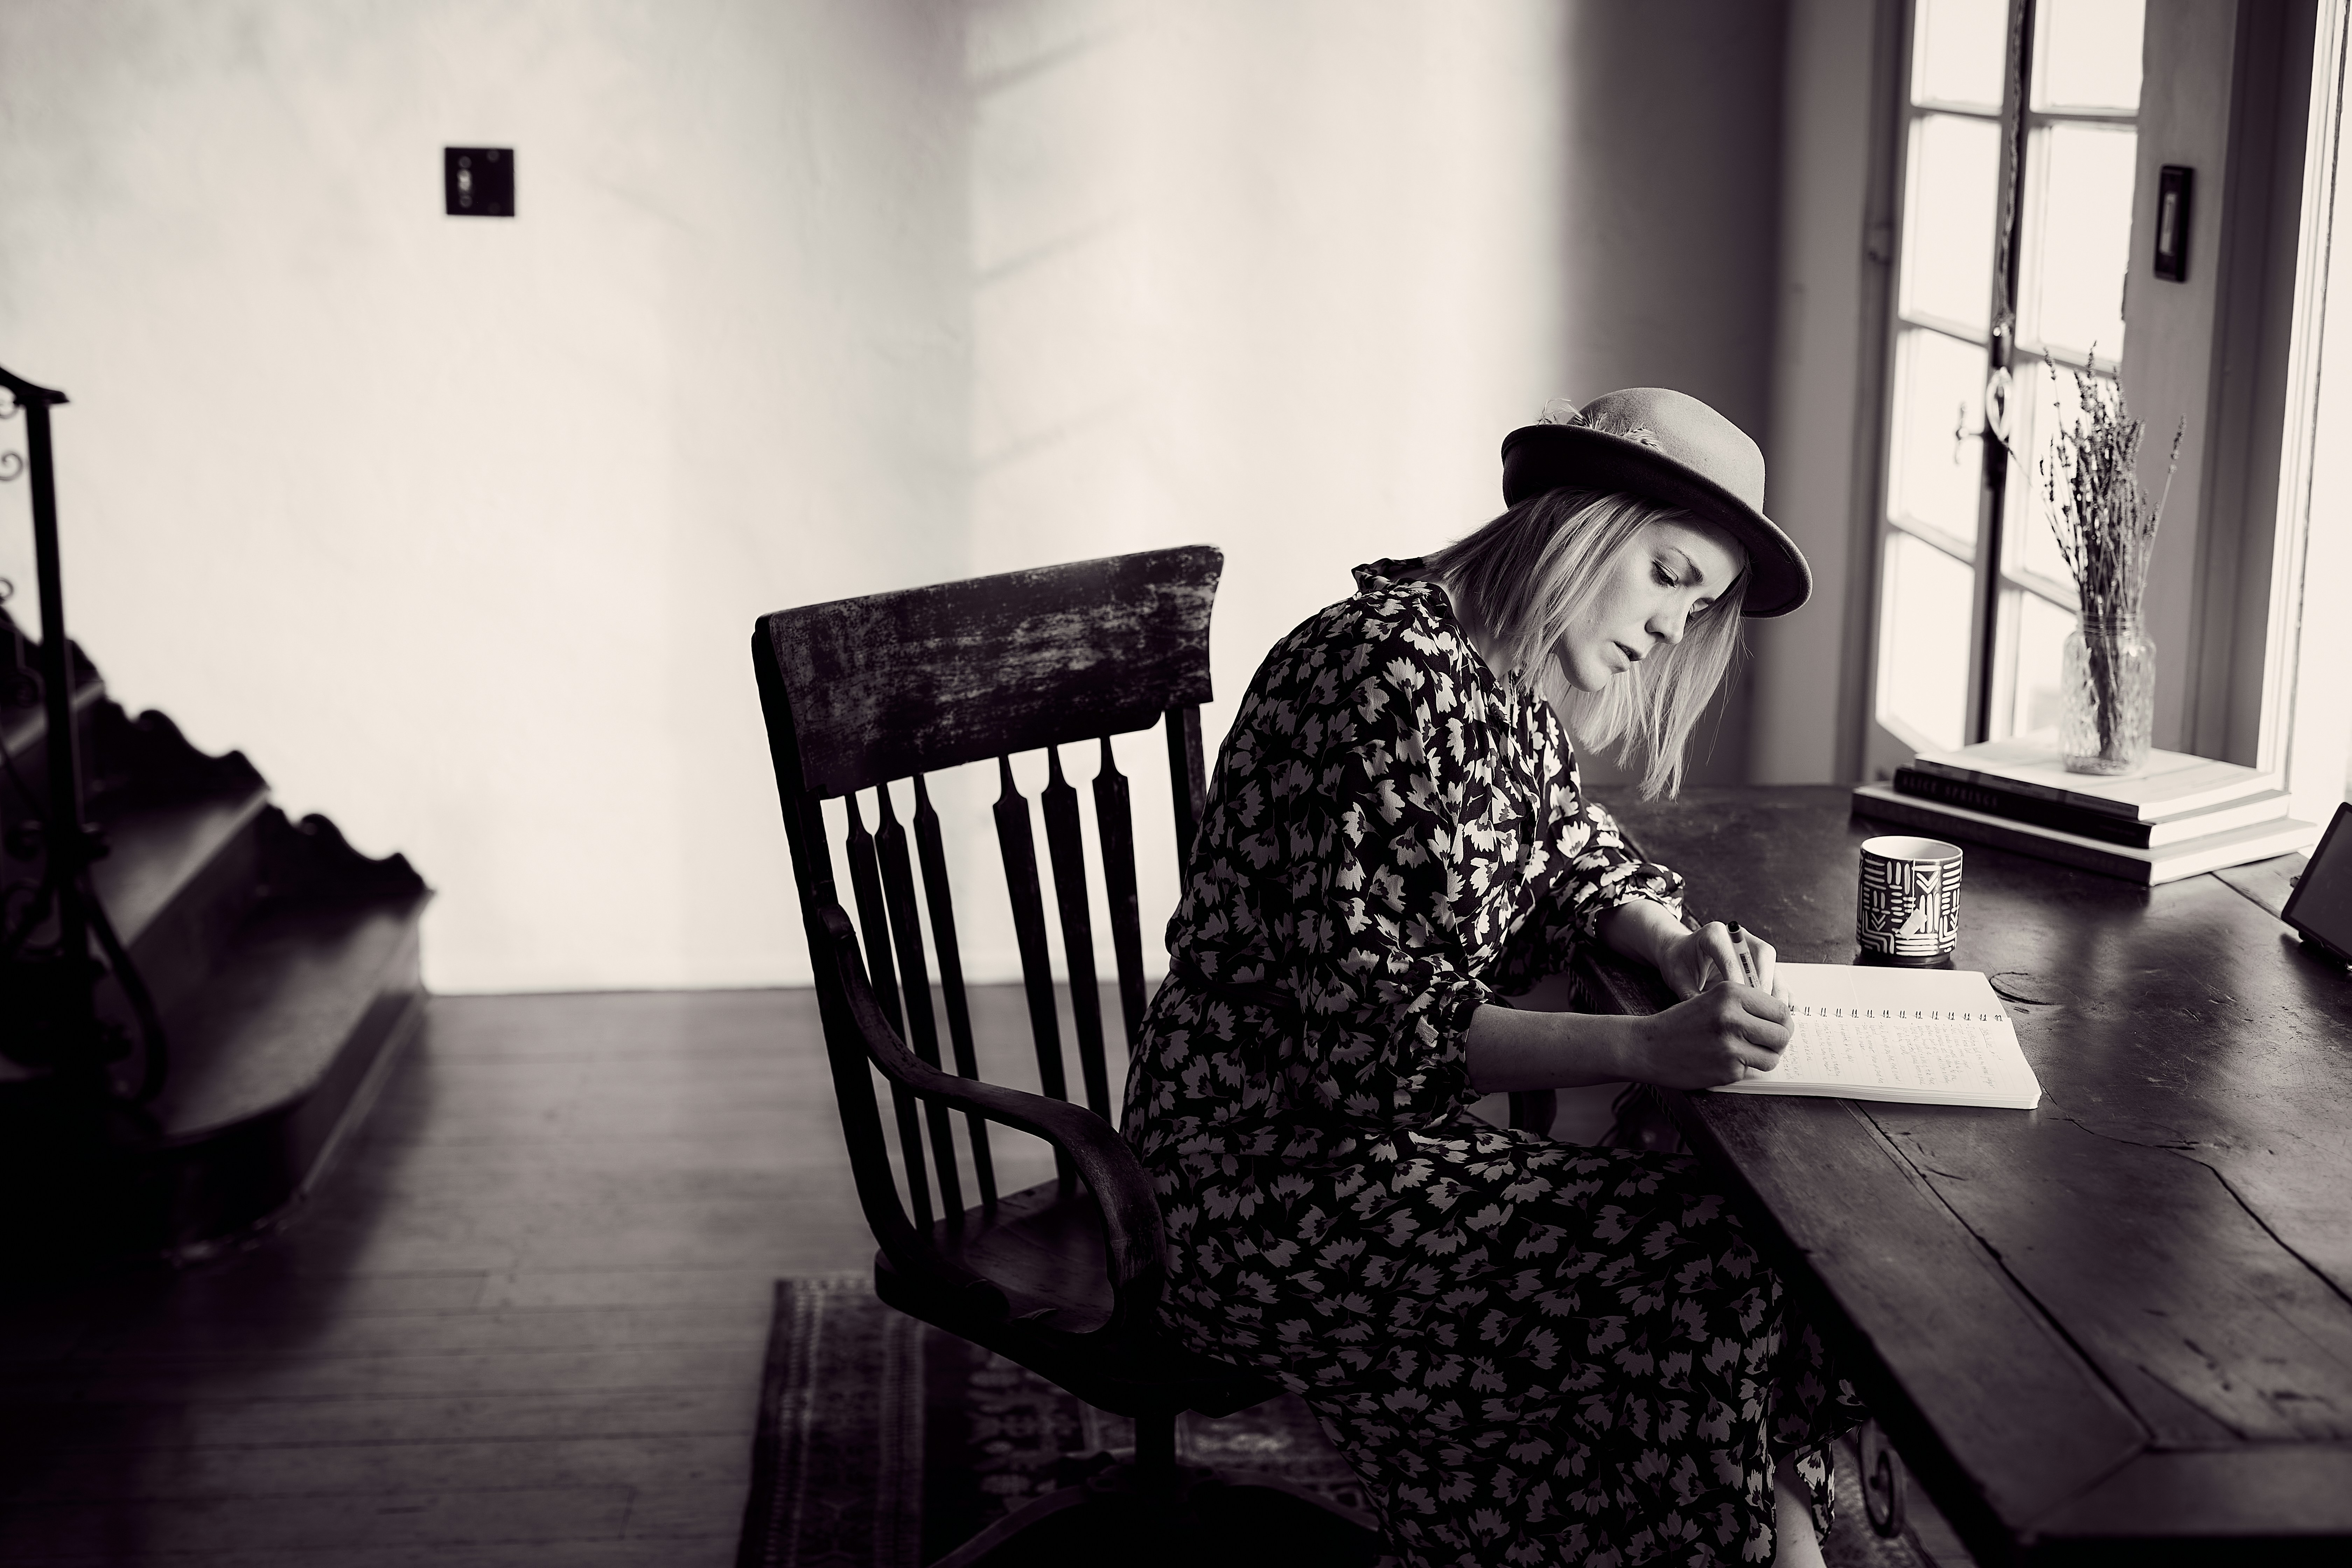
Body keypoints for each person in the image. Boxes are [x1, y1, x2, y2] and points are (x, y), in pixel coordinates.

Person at [1119, 388, 1868, 1568]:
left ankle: (1742, 1537)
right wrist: (1646, 1049)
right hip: (1256, 1174)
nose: (1679, 627)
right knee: (1694, 1268)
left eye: (1704, 605)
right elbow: (1370, 1043)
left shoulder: (1496, 675)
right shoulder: (1380, 675)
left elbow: (1564, 848)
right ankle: (1724, 1539)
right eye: (1673, 574)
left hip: (1377, 1151)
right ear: (1585, 522)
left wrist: (1670, 942)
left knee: (1742, 1247)